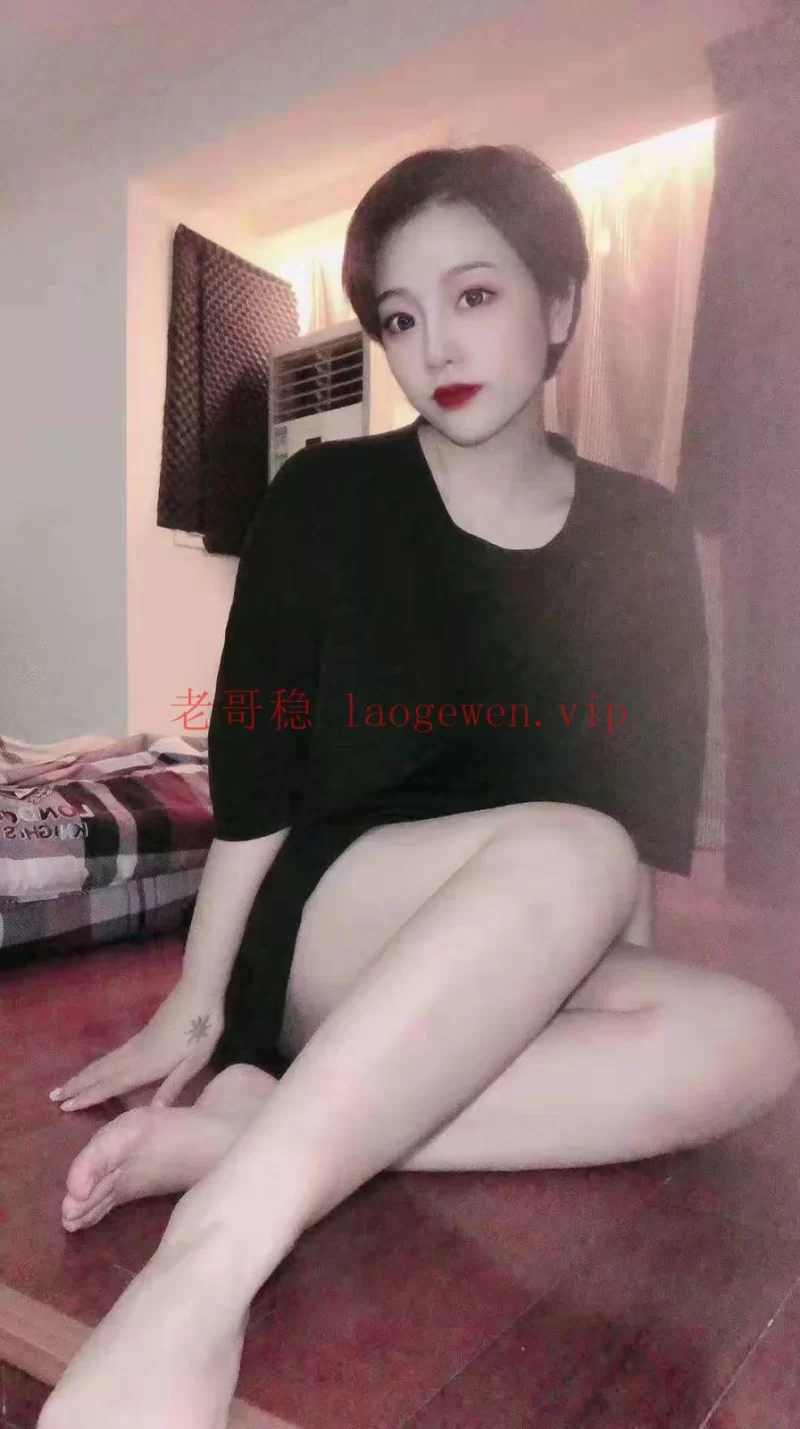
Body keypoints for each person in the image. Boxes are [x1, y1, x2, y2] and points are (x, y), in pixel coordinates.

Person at [38, 145, 799, 1429]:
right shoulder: (323, 494)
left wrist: (600, 989)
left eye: (474, 296)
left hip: (535, 916)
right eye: (399, 317)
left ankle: (264, 1137)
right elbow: (258, 776)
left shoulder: (643, 531)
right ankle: (207, 1264)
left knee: (750, 1042)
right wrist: (201, 1003)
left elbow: (636, 807)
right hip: (337, 912)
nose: (432, 342)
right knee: (574, 848)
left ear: (558, 304)